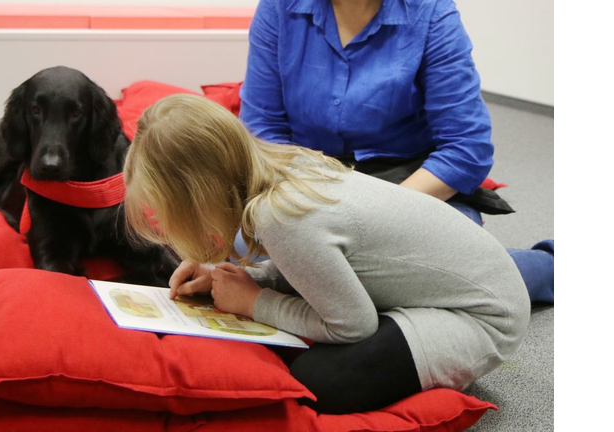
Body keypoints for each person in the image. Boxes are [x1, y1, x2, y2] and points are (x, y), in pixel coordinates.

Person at [123, 94, 530, 414]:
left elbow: (352, 326)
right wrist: (241, 279)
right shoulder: (284, 165)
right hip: (443, 286)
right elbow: (313, 265)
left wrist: (253, 301)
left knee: (320, 384)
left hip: (481, 320)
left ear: (196, 196)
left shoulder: (281, 216)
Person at [237, 0, 554, 303]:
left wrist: (374, 222)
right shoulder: (279, 7)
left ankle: (547, 268)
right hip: (310, 183)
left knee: (433, 273)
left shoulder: (431, 12)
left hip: (410, 188)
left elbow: (466, 148)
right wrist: (302, 209)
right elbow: (262, 131)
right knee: (241, 249)